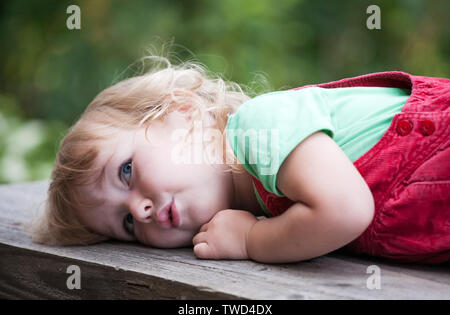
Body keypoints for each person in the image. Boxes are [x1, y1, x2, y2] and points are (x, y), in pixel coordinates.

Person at [28, 56, 450, 264]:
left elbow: (347, 209)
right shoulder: (269, 202)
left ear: (181, 112)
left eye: (126, 172)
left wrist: (252, 241)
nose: (140, 210)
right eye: (126, 226)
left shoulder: (257, 127)